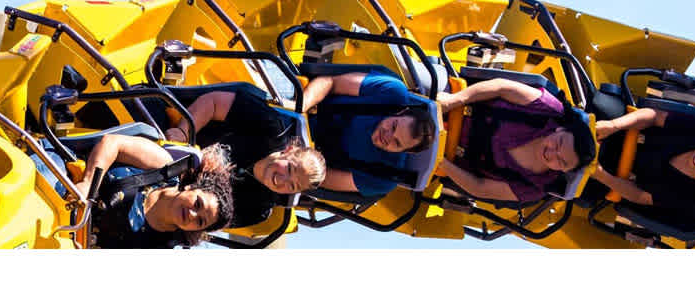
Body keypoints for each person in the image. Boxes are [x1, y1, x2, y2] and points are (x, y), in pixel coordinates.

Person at [164, 88, 326, 228]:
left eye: (292, 186)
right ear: (289, 151)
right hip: (166, 129)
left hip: (167, 190)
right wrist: (183, 133)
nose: (283, 179)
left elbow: (201, 223)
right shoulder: (269, 126)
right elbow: (213, 103)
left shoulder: (257, 210)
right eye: (290, 168)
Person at [37, 134, 235, 248]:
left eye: (200, 221)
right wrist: (88, 183)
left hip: (62, 241)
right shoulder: (163, 168)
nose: (192, 214)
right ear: (192, 187)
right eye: (198, 204)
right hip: (64, 182)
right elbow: (113, 143)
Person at [431, 78, 596, 203]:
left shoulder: (533, 188)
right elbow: (502, 87)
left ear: (564, 171)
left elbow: (478, 187)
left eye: (561, 161)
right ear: (560, 129)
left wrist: (440, 161)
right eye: (558, 143)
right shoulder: (548, 109)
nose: (551, 153)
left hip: (439, 152)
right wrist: (454, 100)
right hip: (452, 102)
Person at [295, 70, 437, 198]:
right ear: (400, 112)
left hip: (295, 157)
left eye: (397, 143)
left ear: (406, 152)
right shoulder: (391, 91)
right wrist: (299, 108)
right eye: (393, 126)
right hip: (299, 102)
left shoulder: (384, 178)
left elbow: (321, 179)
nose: (387, 136)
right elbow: (329, 82)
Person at [586, 106, 695, 209]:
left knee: (584, 190)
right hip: (620, 131)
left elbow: (641, 196)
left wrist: (599, 173)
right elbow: (654, 116)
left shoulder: (692, 195)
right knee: (601, 106)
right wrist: (613, 125)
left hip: (609, 172)